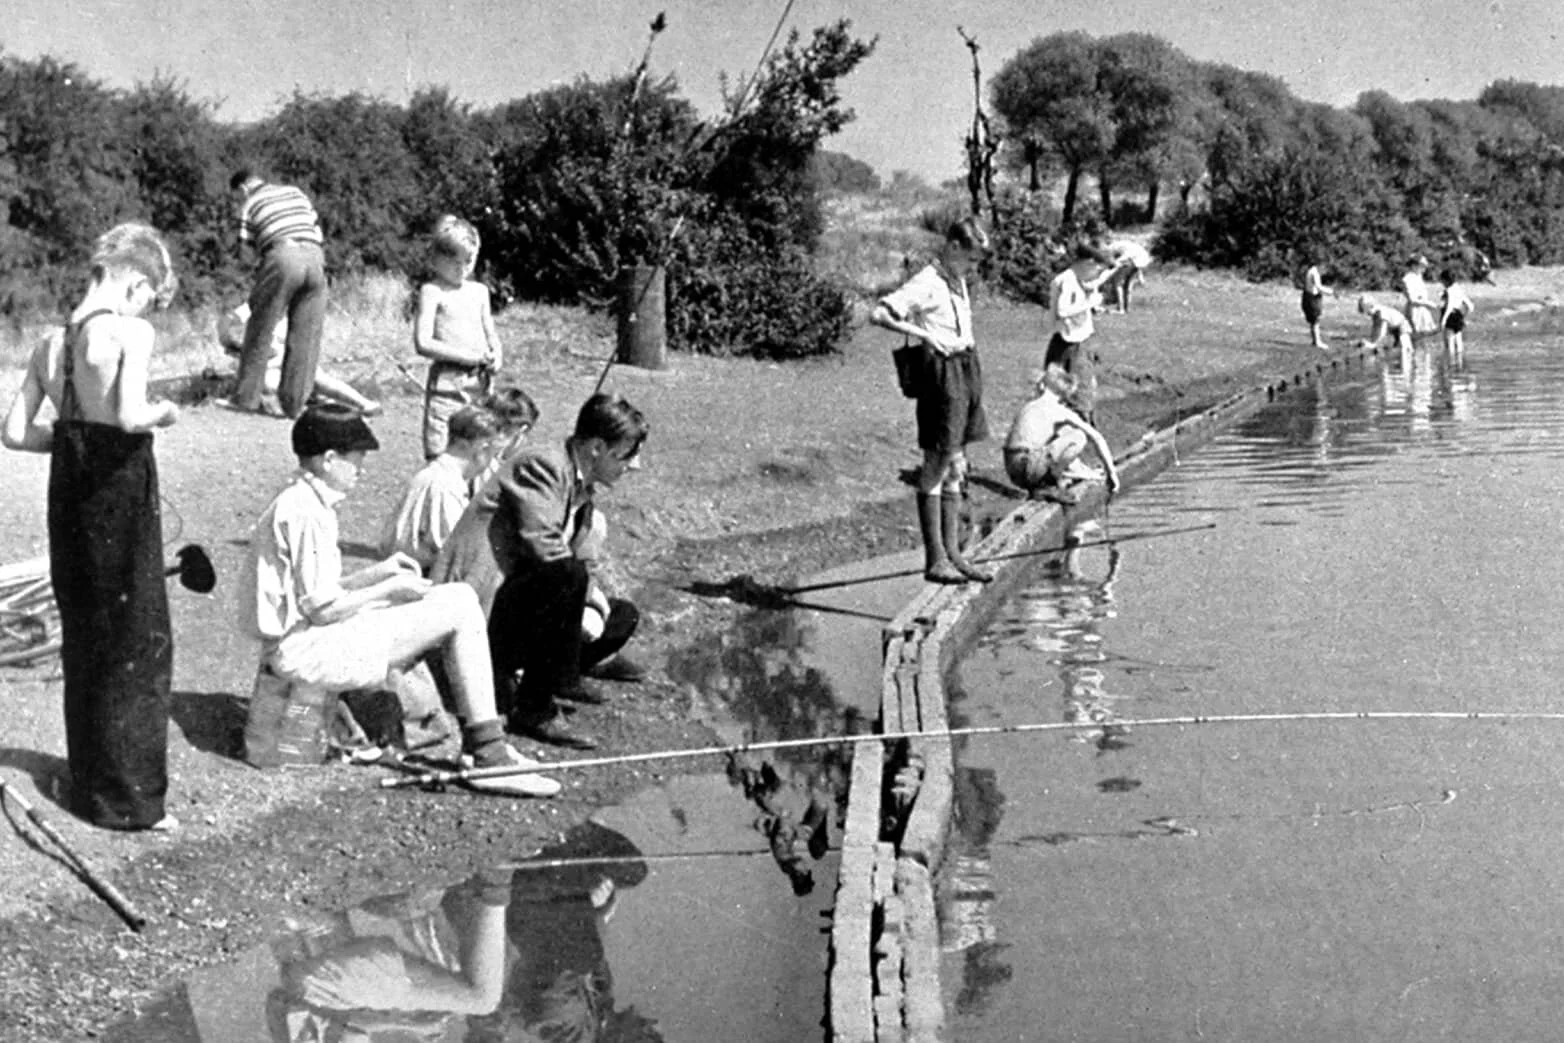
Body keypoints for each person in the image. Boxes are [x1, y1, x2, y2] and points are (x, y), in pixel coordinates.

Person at [239, 403, 559, 797]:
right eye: (355, 461)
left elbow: (316, 595)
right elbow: (322, 609)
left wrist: (382, 572)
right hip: (304, 653)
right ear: (328, 459)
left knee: (455, 597)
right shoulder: (308, 513)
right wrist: (389, 590)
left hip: (301, 640)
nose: (361, 470)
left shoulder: (297, 498)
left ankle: (485, 743)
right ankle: (488, 751)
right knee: (460, 605)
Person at [2, 223, 180, 831]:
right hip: (120, 489)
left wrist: (72, 436)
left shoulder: (51, 343)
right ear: (136, 283)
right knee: (137, 638)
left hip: (69, 486)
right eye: (150, 295)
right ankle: (133, 803)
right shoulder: (131, 330)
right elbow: (130, 414)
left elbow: (15, 433)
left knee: (84, 634)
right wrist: (167, 411)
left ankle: (89, 785)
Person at [433, 394, 648, 751]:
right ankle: (537, 706)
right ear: (596, 447)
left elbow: (574, 555)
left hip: (517, 596)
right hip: (478, 602)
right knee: (568, 577)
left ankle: (554, 676)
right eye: (626, 455)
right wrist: (583, 598)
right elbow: (543, 544)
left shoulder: (579, 484)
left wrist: (590, 598)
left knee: (620, 613)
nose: (635, 466)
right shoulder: (543, 464)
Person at [869, 216, 995, 585]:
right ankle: (935, 558)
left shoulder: (956, 280)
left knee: (958, 463)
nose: (974, 269)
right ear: (953, 247)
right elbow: (879, 313)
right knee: (938, 461)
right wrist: (923, 334)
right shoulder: (927, 281)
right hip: (942, 375)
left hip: (967, 367)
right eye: (971, 260)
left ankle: (954, 552)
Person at [379, 397, 535, 573]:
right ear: (481, 448)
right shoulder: (444, 487)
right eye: (492, 453)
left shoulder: (437, 475)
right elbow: (457, 550)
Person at [229, 169, 328, 418]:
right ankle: (294, 405)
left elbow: (246, 255)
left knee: (260, 327)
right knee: (306, 335)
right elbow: (317, 234)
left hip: (282, 256)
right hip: (315, 256)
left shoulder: (249, 204)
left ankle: (246, 398)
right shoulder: (296, 193)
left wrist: (261, 267)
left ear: (242, 189)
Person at [416, 215, 502, 460]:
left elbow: (490, 331)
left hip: (480, 386)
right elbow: (423, 342)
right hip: (447, 387)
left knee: (479, 449)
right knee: (441, 452)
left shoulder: (479, 292)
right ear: (435, 259)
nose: (462, 268)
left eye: (468, 261)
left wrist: (497, 354)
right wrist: (466, 357)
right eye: (453, 261)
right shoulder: (432, 291)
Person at [216, 301, 381, 416]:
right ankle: (307, 401)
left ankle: (363, 403)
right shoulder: (256, 304)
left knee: (319, 378)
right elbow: (226, 322)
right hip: (265, 366)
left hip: (291, 360)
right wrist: (230, 342)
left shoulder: (298, 312)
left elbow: (300, 349)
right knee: (270, 384)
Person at [1004, 365, 1121, 505]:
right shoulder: (1059, 411)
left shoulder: (1030, 406)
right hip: (1029, 466)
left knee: (1062, 436)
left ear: (1042, 386)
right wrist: (1111, 473)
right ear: (1065, 395)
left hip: (1012, 468)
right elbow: (1096, 437)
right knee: (1078, 437)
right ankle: (1047, 485)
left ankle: (1054, 480)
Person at [1045, 242, 1119, 421]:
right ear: (1088, 263)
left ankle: (1080, 425)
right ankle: (1081, 430)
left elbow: (1093, 282)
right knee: (1079, 391)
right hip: (1070, 344)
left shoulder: (1077, 279)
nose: (1097, 274)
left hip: (1077, 341)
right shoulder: (1067, 281)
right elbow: (1063, 311)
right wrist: (1090, 303)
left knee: (1076, 389)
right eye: (1097, 269)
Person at [1104, 238, 1152, 313]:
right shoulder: (1125, 244)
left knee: (1118, 284)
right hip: (1140, 262)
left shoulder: (1112, 247)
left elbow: (1124, 256)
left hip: (1132, 261)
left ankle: (1120, 309)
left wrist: (1116, 262)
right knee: (1128, 286)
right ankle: (1127, 308)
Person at [1438, 267, 1474, 358]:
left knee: (1449, 341)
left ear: (1445, 280)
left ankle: (1450, 361)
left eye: (1442, 281)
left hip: (1450, 316)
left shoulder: (1449, 290)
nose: (1442, 283)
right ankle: (1459, 361)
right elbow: (1470, 306)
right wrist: (1463, 316)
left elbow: (1449, 306)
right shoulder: (1458, 289)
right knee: (1458, 341)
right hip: (1458, 315)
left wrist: (1444, 320)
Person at [1401, 254, 1439, 336]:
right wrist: (1428, 303)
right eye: (1422, 267)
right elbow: (1412, 299)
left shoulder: (1418, 277)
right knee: (1414, 334)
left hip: (1422, 309)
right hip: (1414, 310)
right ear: (1414, 266)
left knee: (1425, 333)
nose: (1424, 269)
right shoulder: (1407, 279)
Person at [1300, 257, 1332, 350]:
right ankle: (1317, 342)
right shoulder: (1314, 273)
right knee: (1315, 320)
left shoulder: (1312, 271)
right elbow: (1318, 287)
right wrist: (1330, 292)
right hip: (1311, 298)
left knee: (1314, 320)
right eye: (1324, 268)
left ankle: (1315, 340)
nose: (1324, 271)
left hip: (1310, 296)